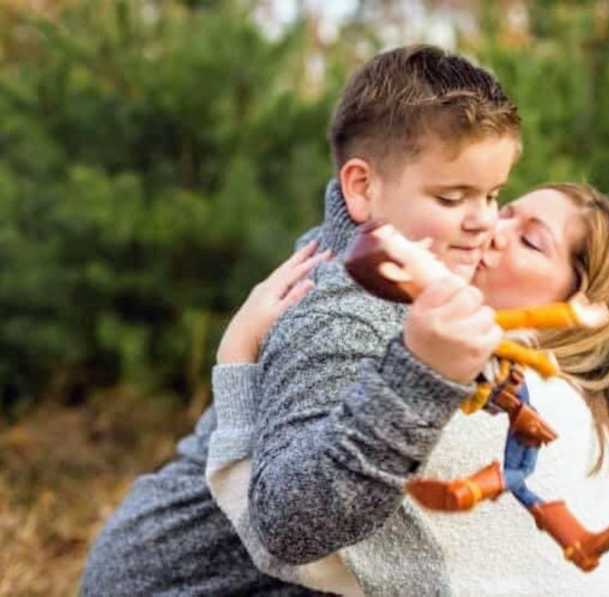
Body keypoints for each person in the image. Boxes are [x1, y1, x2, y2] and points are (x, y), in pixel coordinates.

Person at [80, 44, 519, 596]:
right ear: (363, 188)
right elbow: (293, 524)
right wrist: (420, 378)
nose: (484, 221)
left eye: (494, 194)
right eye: (453, 197)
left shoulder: (388, 268)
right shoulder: (337, 314)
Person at [208, 183, 609, 595]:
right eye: (505, 211)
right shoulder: (577, 411)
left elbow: (286, 537)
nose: (491, 228)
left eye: (529, 240)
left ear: (576, 299)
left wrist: (237, 352)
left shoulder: (498, 388)